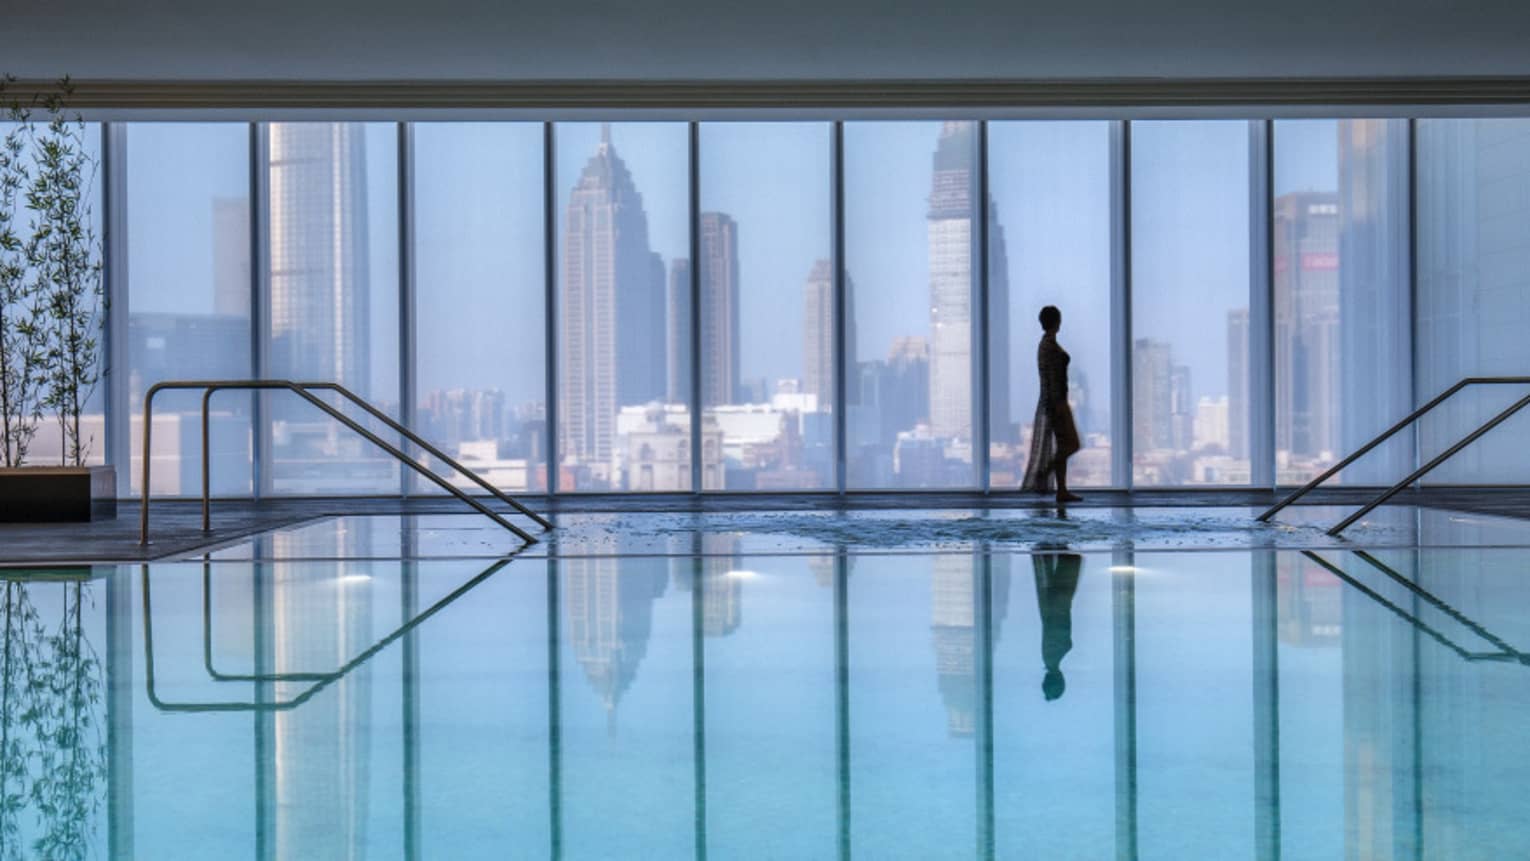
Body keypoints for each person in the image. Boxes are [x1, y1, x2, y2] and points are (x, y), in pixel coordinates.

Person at [1020, 305, 1083, 502]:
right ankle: (1044, 473)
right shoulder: (1049, 346)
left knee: (1064, 444)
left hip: (1054, 400)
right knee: (1072, 444)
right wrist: (1059, 404)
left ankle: (1062, 490)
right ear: (1057, 321)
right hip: (1057, 402)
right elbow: (1053, 378)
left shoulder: (1045, 344)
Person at [1033, 551, 1083, 701]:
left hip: (1057, 601)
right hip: (1056, 601)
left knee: (1059, 556)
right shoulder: (1051, 657)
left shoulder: (1053, 655)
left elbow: (1054, 622)